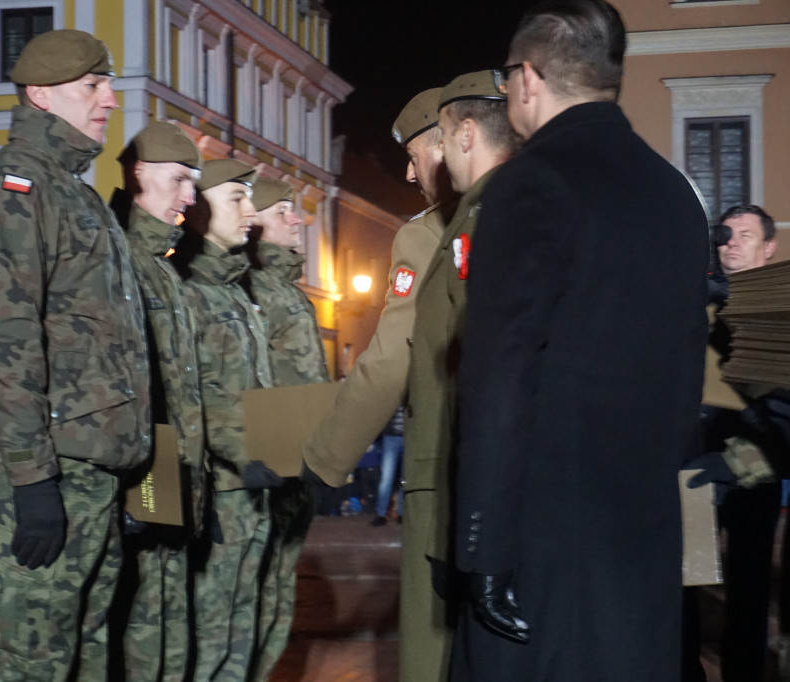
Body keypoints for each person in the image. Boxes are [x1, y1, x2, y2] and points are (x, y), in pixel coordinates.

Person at [450, 2, 708, 680]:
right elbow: (687, 383)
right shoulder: (676, 193)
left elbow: (498, 376)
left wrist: (481, 547)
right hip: (642, 540)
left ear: (528, 77)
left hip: (541, 547)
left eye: (507, 79)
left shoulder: (531, 182)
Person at [0, 29, 152, 682]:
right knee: (26, 663)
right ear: (40, 93)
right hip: (39, 470)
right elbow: (1, 340)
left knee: (84, 658)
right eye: (93, 85)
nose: (110, 99)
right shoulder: (9, 189)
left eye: (107, 83)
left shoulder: (72, 194)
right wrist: (32, 481)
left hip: (87, 468)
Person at [301, 87, 454, 682]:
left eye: (415, 157)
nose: (410, 174)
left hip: (443, 467)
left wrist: (326, 458)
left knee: (433, 641)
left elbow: (392, 356)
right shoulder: (542, 204)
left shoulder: (426, 234)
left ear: (449, 142)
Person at [399, 70, 522, 680]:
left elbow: (486, 371)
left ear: (465, 135)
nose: (428, 161)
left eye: (437, 142)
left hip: (460, 482)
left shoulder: (476, 221)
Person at [108, 120, 205, 682]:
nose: (189, 198)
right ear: (140, 175)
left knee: (164, 634)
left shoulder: (160, 264)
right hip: (135, 474)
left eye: (193, 185)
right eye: (178, 181)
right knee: (133, 634)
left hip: (165, 473)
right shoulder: (114, 257)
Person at [175, 159, 277, 681]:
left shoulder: (235, 290)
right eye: (236, 198)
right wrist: (253, 448)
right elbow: (186, 398)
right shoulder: (186, 291)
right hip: (214, 490)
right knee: (206, 637)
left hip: (249, 490)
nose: (251, 212)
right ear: (197, 210)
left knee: (241, 633)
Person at [683, 204, 782, 682]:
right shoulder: (699, 304)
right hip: (697, 471)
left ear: (770, 247)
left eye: (746, 235)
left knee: (749, 591)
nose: (732, 243)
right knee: (688, 585)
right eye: (725, 235)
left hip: (753, 470)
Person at [243, 176, 330, 681]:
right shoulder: (252, 288)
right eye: (283, 212)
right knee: (249, 608)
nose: (298, 220)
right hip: (267, 474)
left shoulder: (284, 289)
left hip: (293, 474)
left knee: (274, 602)